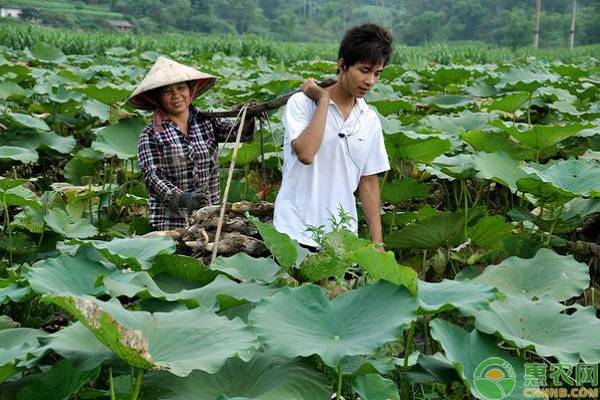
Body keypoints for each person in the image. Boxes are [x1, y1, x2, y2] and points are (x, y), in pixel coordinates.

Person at [273, 23, 393, 250]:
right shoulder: (302, 104)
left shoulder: (369, 119)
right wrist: (324, 102)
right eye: (364, 70)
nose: (371, 81)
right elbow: (306, 154)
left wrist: (378, 243)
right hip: (294, 230)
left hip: (341, 237)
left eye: (378, 74)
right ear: (342, 65)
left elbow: (368, 181)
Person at [129, 56, 253, 231]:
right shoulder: (151, 134)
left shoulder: (207, 121)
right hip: (171, 224)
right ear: (158, 98)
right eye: (167, 91)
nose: (176, 96)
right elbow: (153, 176)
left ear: (191, 90)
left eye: (181, 88)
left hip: (209, 219)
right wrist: (181, 198)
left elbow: (239, 134)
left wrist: (248, 117)